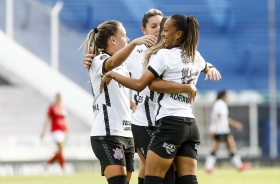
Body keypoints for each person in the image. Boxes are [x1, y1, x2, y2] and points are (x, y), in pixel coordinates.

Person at [100, 14, 221, 184]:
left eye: (165, 29)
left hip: (170, 123)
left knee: (155, 178)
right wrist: (204, 73)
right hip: (190, 126)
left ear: (178, 34)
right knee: (187, 178)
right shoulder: (195, 55)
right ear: (144, 29)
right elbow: (202, 66)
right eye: (156, 27)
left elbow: (145, 84)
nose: (161, 33)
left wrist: (111, 74)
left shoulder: (164, 54)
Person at [82, 20, 157, 184]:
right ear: (113, 40)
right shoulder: (98, 60)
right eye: (124, 35)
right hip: (107, 134)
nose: (128, 39)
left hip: (126, 134)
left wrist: (132, 105)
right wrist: (137, 42)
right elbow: (112, 63)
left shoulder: (123, 67)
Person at [204, 90, 252, 173]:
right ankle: (208, 167)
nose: (228, 97)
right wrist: (214, 129)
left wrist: (235, 124)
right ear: (223, 96)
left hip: (223, 129)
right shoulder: (220, 103)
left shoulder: (219, 103)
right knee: (217, 148)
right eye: (227, 95)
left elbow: (223, 118)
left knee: (230, 146)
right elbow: (218, 116)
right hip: (220, 130)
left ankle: (239, 166)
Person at [40, 92, 68, 173]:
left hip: (62, 130)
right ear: (55, 98)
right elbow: (47, 119)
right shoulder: (52, 107)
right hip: (55, 130)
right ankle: (63, 169)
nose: (59, 99)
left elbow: (64, 120)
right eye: (58, 97)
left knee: (60, 150)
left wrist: (67, 130)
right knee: (61, 148)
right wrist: (43, 132)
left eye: (60, 97)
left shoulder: (63, 107)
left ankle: (48, 164)